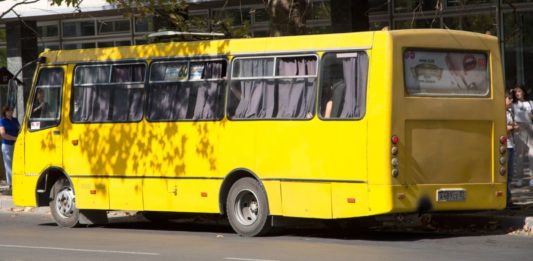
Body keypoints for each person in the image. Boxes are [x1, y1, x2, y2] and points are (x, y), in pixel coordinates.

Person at [511, 85, 533, 183]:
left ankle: (531, 177)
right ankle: (519, 178)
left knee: (532, 153)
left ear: (523, 92)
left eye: (519, 91)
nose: (517, 93)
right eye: (516, 92)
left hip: (530, 127)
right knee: (519, 155)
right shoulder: (513, 104)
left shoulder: (530, 103)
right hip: (518, 128)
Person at [0, 106, 20, 193]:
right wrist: (14, 138)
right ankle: (11, 184)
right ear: (5, 112)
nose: (10, 112)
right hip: (7, 145)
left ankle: (17, 182)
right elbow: (3, 134)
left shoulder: (15, 120)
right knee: (9, 164)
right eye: (8, 111)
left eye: (11, 110)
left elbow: (20, 129)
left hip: (17, 144)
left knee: (16, 164)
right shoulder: (2, 121)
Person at [505, 90, 519, 207]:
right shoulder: (500, 112)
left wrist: (514, 127)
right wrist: (512, 127)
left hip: (511, 144)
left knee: (510, 174)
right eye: (509, 99)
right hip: (505, 146)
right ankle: (506, 199)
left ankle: (508, 199)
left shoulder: (509, 112)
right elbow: (503, 128)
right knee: (505, 173)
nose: (511, 101)